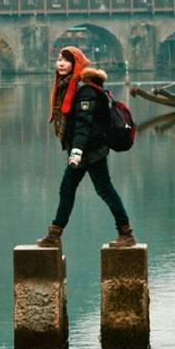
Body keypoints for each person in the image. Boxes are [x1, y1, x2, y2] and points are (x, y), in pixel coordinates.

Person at [36, 46, 136, 249]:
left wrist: (77, 150)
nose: (61, 63)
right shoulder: (71, 87)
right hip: (83, 150)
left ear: (76, 64)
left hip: (92, 151)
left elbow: (84, 124)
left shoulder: (85, 90)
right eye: (59, 60)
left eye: (66, 60)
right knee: (69, 189)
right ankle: (55, 234)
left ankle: (126, 234)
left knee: (104, 190)